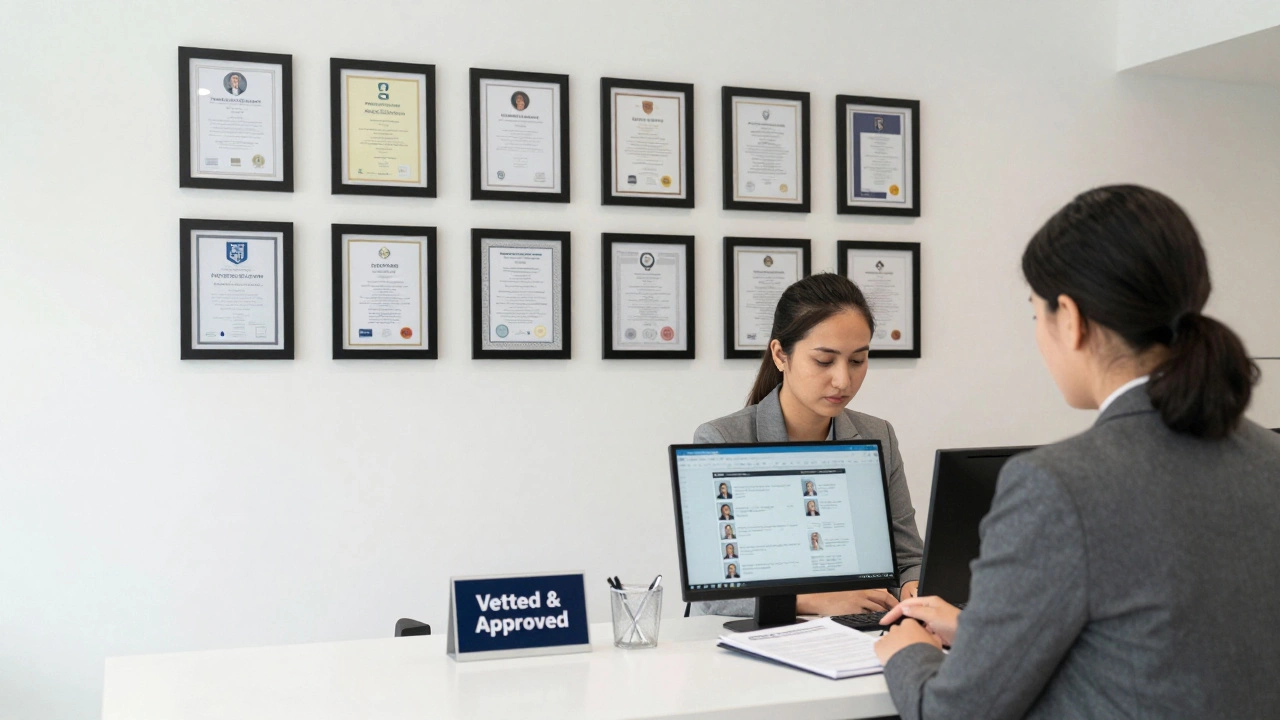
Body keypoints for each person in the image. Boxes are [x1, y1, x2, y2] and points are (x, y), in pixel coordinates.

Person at [874, 185, 1280, 719]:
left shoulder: (1055, 486)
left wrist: (908, 655)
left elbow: (956, 713)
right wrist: (978, 629)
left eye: (1035, 314)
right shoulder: (1267, 457)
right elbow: (1159, 641)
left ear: (1070, 317)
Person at [692, 273, 924, 619]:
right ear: (780, 355)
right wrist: (812, 600)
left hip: (858, 631)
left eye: (858, 360)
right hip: (753, 636)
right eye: (824, 361)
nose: (843, 380)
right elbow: (709, 595)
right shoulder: (722, 439)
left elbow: (909, 558)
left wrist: (913, 589)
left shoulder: (879, 435)